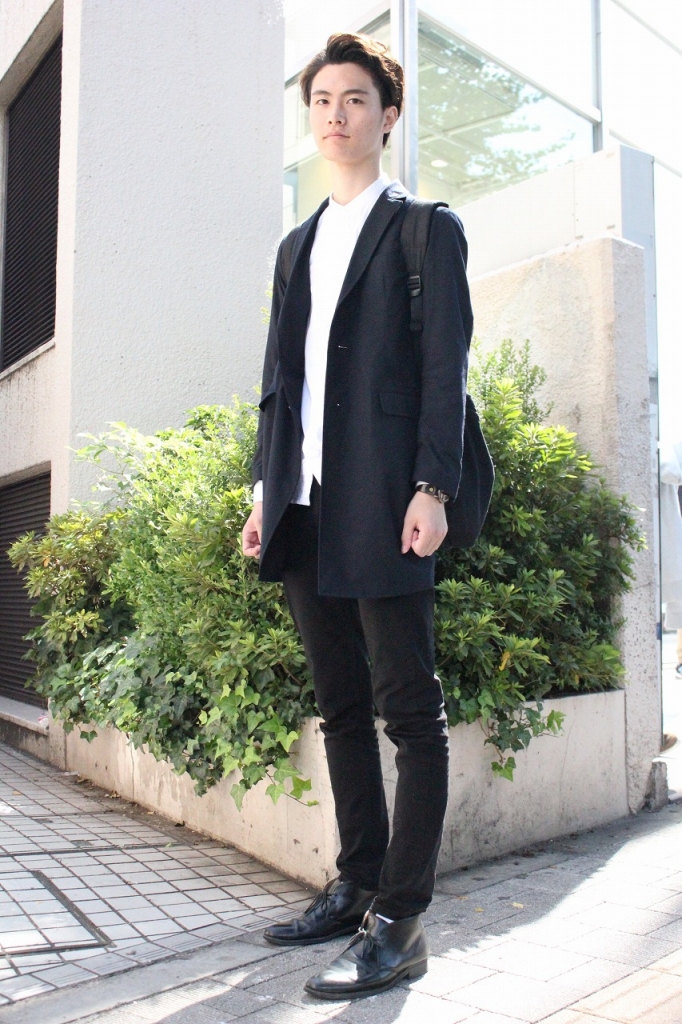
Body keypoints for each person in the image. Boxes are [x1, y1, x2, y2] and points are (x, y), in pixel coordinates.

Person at [241, 32, 474, 1000]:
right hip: (304, 503)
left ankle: (400, 922)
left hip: (386, 498)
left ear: (389, 115)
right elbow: (280, 381)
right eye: (321, 100)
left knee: (410, 713)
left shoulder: (423, 230)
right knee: (340, 706)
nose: (335, 115)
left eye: (354, 99)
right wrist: (264, 491)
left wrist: (433, 487)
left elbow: (444, 369)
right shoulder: (296, 244)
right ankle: (355, 883)